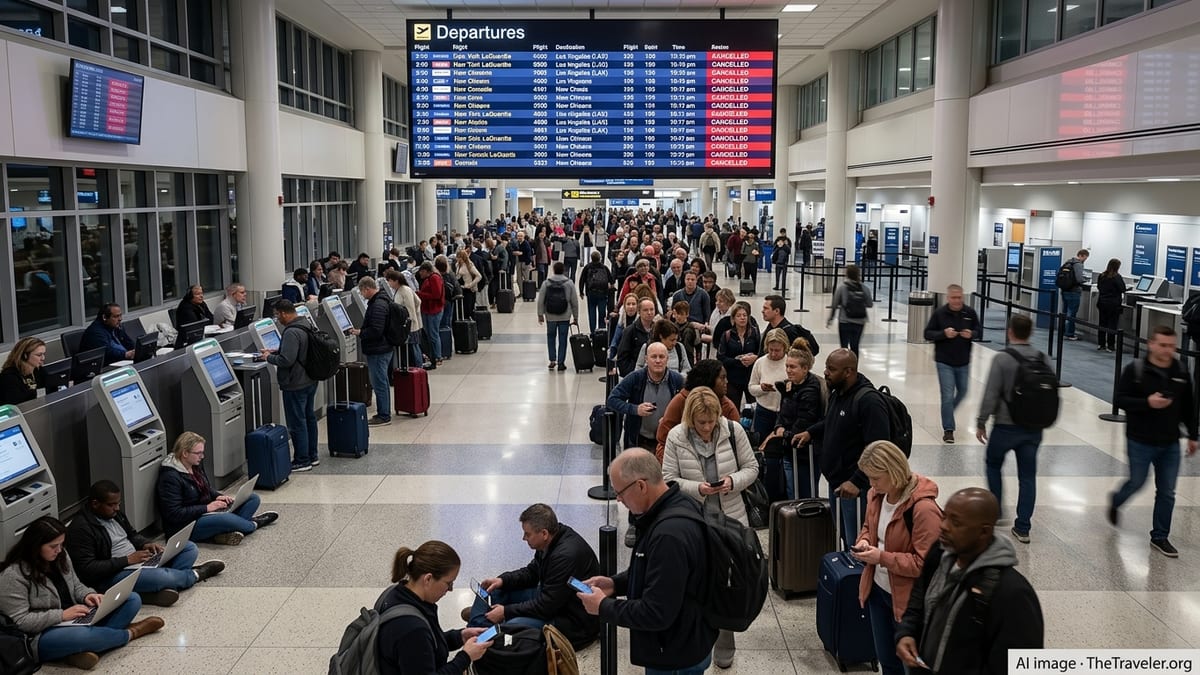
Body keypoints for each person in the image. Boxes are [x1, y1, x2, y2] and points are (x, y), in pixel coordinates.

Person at [576, 449, 718, 675]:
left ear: (641, 485)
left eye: (620, 492)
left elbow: (656, 612)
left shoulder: (669, 535)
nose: (619, 500)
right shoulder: (677, 503)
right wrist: (616, 583)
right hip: (686, 639)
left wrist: (603, 606)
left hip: (674, 656)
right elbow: (657, 573)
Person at [895, 488, 1043, 674]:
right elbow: (919, 596)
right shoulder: (939, 553)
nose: (944, 526)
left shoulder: (1013, 594)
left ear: (984, 532)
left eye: (956, 522)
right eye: (945, 517)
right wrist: (907, 631)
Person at [661, 386, 758, 668]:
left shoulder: (733, 431)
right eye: (701, 423)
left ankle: (725, 641)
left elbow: (751, 468)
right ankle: (694, 641)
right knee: (693, 583)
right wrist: (698, 489)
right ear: (690, 419)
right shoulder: (676, 436)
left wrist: (732, 482)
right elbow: (668, 478)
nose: (707, 428)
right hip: (694, 521)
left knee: (726, 583)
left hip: (731, 521)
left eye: (711, 422)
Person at [0, 516, 165, 670]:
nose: (59, 550)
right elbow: (20, 621)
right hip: (40, 634)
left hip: (75, 618)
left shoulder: (61, 556)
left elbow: (77, 585)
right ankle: (130, 632)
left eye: (61, 544)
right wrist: (62, 615)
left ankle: (78, 650)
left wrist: (88, 595)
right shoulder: (13, 575)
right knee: (82, 637)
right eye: (53, 546)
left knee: (132, 599)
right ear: (35, 546)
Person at [849, 441, 941, 675]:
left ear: (894, 471)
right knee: (887, 662)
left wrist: (881, 557)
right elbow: (868, 526)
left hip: (908, 603)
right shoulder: (876, 494)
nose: (871, 484)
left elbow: (925, 565)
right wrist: (864, 541)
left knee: (910, 667)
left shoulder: (924, 510)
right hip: (878, 591)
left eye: (876, 478)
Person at [1110, 325, 1198, 558]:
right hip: (1140, 439)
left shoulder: (1180, 371)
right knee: (1137, 482)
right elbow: (1120, 399)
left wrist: (1193, 435)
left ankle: (1160, 536)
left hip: (1170, 442)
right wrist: (1147, 402)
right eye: (1162, 345)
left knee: (1167, 492)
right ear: (1151, 344)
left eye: (1171, 346)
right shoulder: (1136, 370)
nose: (1168, 350)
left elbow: (1189, 406)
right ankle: (1116, 500)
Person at [65, 480, 225, 607]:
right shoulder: (80, 529)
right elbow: (87, 569)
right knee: (162, 576)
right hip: (113, 575)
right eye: (111, 505)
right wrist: (127, 560)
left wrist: (145, 543)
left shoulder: (115, 514)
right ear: (95, 504)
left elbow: (132, 535)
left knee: (189, 548)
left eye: (118, 504)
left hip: (137, 562)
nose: (116, 508)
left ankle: (165, 584)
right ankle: (194, 575)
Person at [465, 504, 601, 649]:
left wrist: (506, 611)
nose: (524, 538)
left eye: (527, 534)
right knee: (494, 589)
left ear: (544, 533)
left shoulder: (565, 556)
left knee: (512, 626)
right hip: (552, 597)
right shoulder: (551, 540)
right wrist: (503, 580)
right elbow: (532, 572)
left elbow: (546, 606)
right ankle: (482, 625)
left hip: (570, 621)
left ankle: (480, 625)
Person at [794, 349, 891, 546]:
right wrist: (811, 431)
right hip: (837, 483)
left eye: (831, 369)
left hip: (855, 489)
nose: (825, 373)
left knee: (858, 543)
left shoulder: (869, 402)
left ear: (848, 372)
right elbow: (832, 421)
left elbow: (880, 449)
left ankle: (860, 577)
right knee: (845, 538)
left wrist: (857, 481)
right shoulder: (839, 392)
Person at [975, 314, 1052, 545]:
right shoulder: (1043, 359)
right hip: (1033, 429)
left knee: (993, 464)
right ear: (1030, 333)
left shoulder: (1002, 359)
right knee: (1027, 476)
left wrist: (981, 421)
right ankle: (1023, 526)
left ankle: (997, 509)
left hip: (1005, 427)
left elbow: (991, 393)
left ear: (1010, 332)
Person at [376, 540, 492, 674]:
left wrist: (459, 637)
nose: (450, 590)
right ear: (428, 579)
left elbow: (424, 647)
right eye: (448, 583)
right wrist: (465, 658)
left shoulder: (394, 593)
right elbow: (417, 642)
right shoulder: (412, 629)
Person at [156, 431, 278, 546]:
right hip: (187, 525)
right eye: (198, 453)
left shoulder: (194, 464)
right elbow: (174, 514)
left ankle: (231, 528)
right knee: (225, 518)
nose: (202, 456)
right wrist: (207, 508)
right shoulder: (170, 477)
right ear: (185, 453)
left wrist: (217, 496)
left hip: (205, 513)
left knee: (252, 498)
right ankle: (252, 524)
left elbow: (206, 487)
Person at [761, 338, 824, 500]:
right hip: (789, 451)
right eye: (787, 366)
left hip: (805, 454)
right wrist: (779, 429)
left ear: (805, 368)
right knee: (792, 493)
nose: (788, 370)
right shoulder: (791, 386)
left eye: (793, 367)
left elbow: (802, 425)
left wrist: (784, 433)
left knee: (804, 497)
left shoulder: (810, 392)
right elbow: (781, 415)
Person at [262, 299, 319, 472]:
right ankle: (312, 455)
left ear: (284, 313)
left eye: (277, 315)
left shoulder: (291, 332)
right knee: (309, 418)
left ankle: (302, 459)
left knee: (296, 422)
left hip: (295, 383)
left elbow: (286, 360)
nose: (277, 319)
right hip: (310, 379)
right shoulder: (305, 324)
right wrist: (278, 351)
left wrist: (268, 357)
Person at [923, 284, 979, 444]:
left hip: (963, 361)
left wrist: (972, 334)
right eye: (953, 298)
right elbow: (927, 333)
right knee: (947, 396)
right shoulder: (940, 314)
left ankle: (947, 412)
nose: (957, 301)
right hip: (944, 361)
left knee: (963, 391)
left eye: (959, 297)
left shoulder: (969, 313)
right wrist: (943, 334)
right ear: (948, 298)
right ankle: (949, 429)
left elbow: (978, 329)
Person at [654, 359, 741, 461]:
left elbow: (737, 443)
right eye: (722, 378)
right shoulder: (681, 401)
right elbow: (663, 440)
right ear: (709, 379)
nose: (726, 382)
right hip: (683, 463)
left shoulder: (727, 406)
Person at [608, 342, 685, 452]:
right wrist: (635, 409)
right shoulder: (635, 378)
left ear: (667, 359)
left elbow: (690, 405)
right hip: (639, 442)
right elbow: (612, 400)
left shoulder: (677, 380)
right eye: (654, 356)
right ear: (646, 359)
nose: (658, 361)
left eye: (662, 357)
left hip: (668, 443)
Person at [354, 276, 394, 426]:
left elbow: (376, 330)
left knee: (379, 383)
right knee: (381, 381)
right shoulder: (382, 299)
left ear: (367, 289)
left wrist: (360, 333)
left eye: (362, 292)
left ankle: (383, 415)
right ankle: (384, 412)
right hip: (384, 347)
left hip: (379, 349)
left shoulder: (377, 305)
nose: (362, 295)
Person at [537, 261, 580, 371]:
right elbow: (574, 301)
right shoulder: (569, 283)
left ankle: (552, 360)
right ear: (564, 270)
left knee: (551, 337)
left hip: (550, 315)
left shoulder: (546, 283)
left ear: (553, 270)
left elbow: (541, 300)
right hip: (564, 316)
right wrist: (575, 317)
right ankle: (561, 362)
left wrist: (540, 314)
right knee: (563, 339)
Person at [717, 301, 761, 409]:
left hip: (751, 377)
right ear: (733, 318)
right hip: (733, 378)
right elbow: (721, 357)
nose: (742, 318)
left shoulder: (754, 333)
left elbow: (761, 353)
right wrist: (738, 361)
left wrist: (754, 358)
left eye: (745, 315)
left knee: (753, 408)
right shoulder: (727, 335)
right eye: (739, 315)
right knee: (732, 407)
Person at [827, 264, 872, 356]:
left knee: (844, 347)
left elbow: (835, 304)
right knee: (855, 346)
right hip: (860, 321)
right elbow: (869, 304)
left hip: (844, 321)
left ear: (847, 274)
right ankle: (853, 368)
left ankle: (844, 367)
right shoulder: (864, 288)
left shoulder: (842, 287)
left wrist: (830, 319)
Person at [385, 269, 425, 369]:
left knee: (411, 348)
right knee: (416, 347)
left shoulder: (401, 292)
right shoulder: (407, 288)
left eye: (389, 281)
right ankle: (419, 368)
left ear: (395, 281)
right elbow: (418, 301)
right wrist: (415, 312)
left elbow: (397, 309)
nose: (389, 283)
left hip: (406, 325)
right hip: (414, 322)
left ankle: (416, 368)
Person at [616, 298, 659, 377]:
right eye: (645, 310)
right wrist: (631, 375)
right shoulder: (629, 331)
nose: (649, 313)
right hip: (635, 374)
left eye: (652, 309)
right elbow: (622, 357)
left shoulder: (659, 330)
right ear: (639, 312)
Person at [416, 261, 446, 366]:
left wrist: (420, 294)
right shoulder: (430, 278)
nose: (420, 274)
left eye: (421, 272)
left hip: (434, 310)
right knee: (430, 334)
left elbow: (436, 294)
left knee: (433, 334)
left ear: (425, 271)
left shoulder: (434, 278)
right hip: (429, 309)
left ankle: (438, 356)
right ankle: (433, 355)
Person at [0, 337, 46, 405]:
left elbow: (50, 384)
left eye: (43, 354)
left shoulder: (37, 369)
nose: (43, 358)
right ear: (25, 356)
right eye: (39, 355)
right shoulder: (9, 377)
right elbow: (14, 405)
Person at [1095, 258, 1126, 352]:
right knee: (1112, 325)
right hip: (1113, 304)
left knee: (1102, 324)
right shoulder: (1117, 277)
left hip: (1102, 303)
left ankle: (1101, 344)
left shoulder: (1102, 275)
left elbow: (1099, 287)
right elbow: (1122, 289)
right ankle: (1111, 345)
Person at [579, 251, 613, 333]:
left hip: (591, 293)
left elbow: (582, 280)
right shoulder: (604, 267)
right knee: (602, 313)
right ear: (600, 258)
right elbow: (611, 280)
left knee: (592, 313)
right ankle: (602, 331)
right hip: (603, 293)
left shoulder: (587, 267)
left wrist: (581, 291)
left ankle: (593, 331)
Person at [1060, 248, 1090, 341]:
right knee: (1071, 313)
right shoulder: (1078, 264)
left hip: (1065, 290)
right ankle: (1070, 333)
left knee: (1064, 312)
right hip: (1074, 291)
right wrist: (1085, 280)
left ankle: (1063, 331)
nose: (1085, 259)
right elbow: (1079, 279)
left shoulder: (1068, 262)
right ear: (1082, 255)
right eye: (1085, 257)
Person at [454, 248, 482, 313]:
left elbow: (479, 276)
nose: (457, 259)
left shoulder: (470, 265)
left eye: (458, 257)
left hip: (468, 289)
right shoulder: (457, 265)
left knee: (468, 308)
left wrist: (470, 285)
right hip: (461, 288)